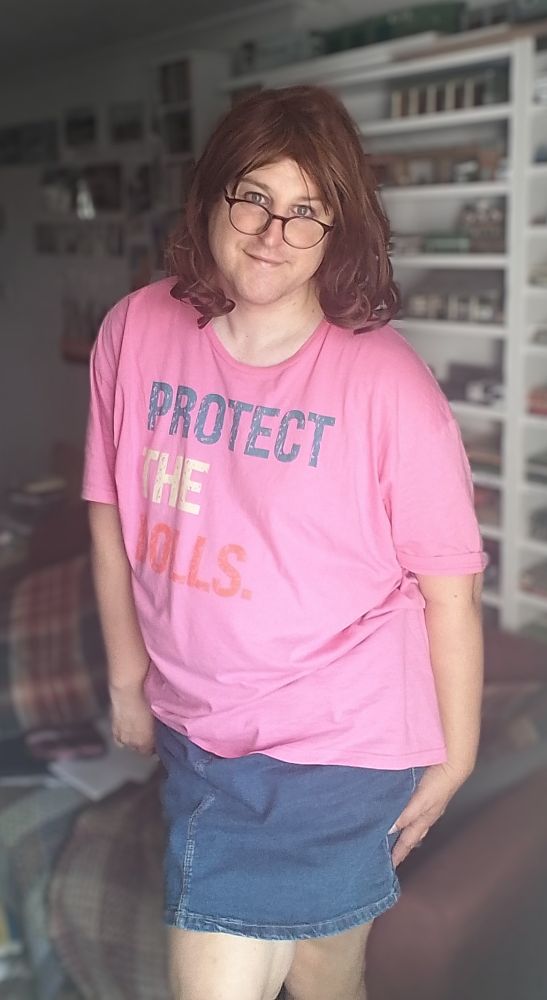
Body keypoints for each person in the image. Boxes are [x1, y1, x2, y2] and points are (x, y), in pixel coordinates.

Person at [82, 85, 486, 1000]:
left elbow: (449, 588)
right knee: (325, 970)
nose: (274, 233)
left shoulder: (388, 385)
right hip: (199, 728)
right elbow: (112, 513)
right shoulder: (135, 330)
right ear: (211, 196)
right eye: (254, 198)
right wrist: (126, 679)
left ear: (338, 229)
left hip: (335, 741)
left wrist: (455, 754)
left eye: (307, 211)